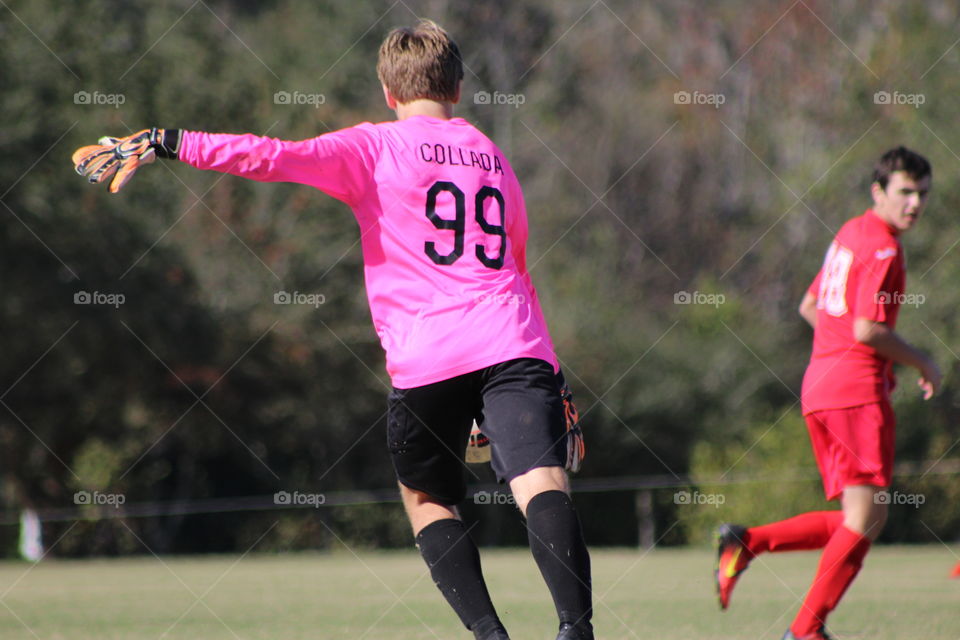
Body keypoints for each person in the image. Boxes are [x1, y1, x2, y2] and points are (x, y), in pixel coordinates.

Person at [72, 20, 592, 640]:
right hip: (513, 341)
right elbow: (519, 267)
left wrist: (168, 140)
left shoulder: (373, 146)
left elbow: (270, 156)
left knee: (429, 503)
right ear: (457, 86)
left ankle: (490, 636)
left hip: (428, 357)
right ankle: (575, 628)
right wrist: (555, 378)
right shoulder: (493, 156)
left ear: (387, 90)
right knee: (540, 482)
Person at [714, 146, 942, 640]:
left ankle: (747, 542)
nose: (915, 204)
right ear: (878, 191)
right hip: (854, 393)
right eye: (904, 192)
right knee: (863, 521)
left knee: (861, 516)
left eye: (922, 194)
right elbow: (865, 328)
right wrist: (922, 360)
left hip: (821, 386)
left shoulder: (850, 233)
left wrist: (847, 357)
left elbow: (810, 305)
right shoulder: (883, 246)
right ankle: (804, 631)